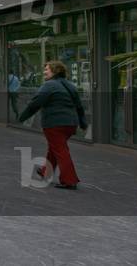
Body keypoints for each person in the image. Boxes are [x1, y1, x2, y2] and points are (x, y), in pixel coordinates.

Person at [18, 60, 87, 190]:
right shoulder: (70, 86)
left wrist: (22, 117)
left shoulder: (49, 86)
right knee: (55, 147)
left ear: (54, 71)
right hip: (70, 124)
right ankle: (46, 171)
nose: (44, 72)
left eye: (47, 69)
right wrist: (82, 122)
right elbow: (79, 106)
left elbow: (36, 103)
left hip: (55, 123)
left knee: (61, 150)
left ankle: (69, 180)